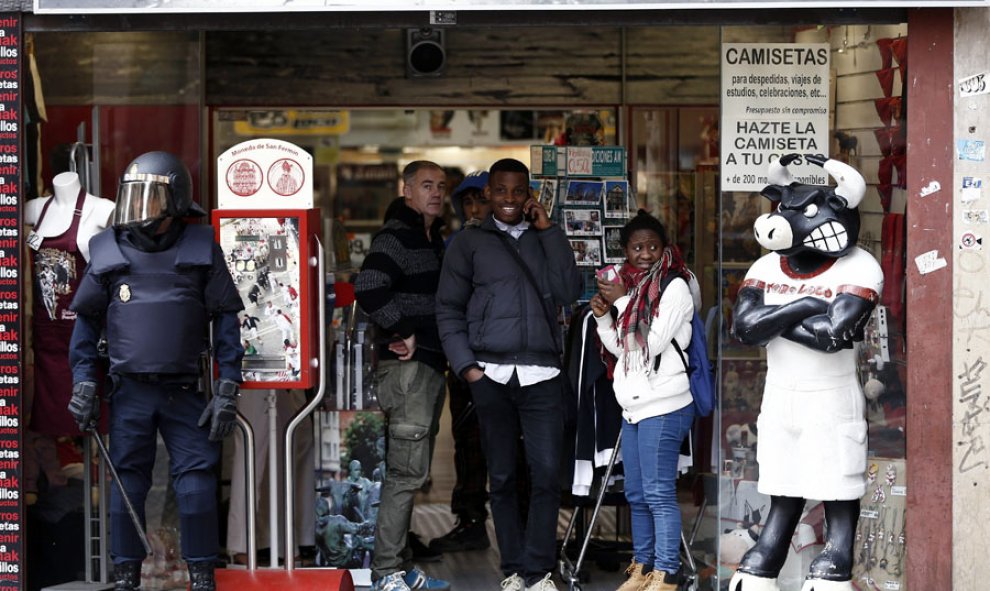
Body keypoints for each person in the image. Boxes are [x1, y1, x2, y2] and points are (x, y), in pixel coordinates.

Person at [66, 151, 245, 591]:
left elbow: (226, 320)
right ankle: (125, 576)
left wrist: (227, 385)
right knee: (126, 484)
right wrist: (84, 380)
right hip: (129, 390)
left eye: (151, 200)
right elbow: (86, 325)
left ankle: (202, 576)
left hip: (185, 389)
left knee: (196, 486)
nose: (139, 212)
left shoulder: (201, 247)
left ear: (177, 201)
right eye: (134, 199)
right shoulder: (108, 250)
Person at [436, 158, 582, 591]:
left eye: (518, 192)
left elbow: (571, 291)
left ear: (529, 194)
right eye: (500, 191)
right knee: (499, 476)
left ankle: (539, 569)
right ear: (487, 195)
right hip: (491, 375)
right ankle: (513, 570)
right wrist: (468, 367)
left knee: (545, 473)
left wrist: (550, 231)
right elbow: (448, 308)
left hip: (542, 373)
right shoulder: (468, 243)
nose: (509, 200)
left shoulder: (545, 238)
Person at [354, 160, 450, 591]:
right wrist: (404, 329)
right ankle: (386, 573)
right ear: (407, 190)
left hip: (427, 366)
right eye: (426, 185)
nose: (435, 193)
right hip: (408, 370)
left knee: (414, 473)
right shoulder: (396, 236)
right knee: (405, 474)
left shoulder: (432, 239)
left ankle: (402, 567)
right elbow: (369, 285)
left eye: (440, 186)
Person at [589, 211, 697, 591]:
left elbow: (649, 343)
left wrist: (619, 304)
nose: (646, 253)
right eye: (638, 247)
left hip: (665, 406)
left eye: (653, 246)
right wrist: (603, 319)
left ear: (665, 248)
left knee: (658, 492)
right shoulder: (632, 291)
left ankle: (666, 573)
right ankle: (644, 568)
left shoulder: (674, 287)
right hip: (634, 407)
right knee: (636, 493)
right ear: (626, 252)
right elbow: (623, 349)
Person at [23, 171, 115, 500]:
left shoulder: (102, 210)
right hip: (46, 343)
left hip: (85, 337)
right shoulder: (33, 210)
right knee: (45, 422)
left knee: (93, 418)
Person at [430, 171, 494, 554]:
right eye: (466, 203)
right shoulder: (455, 243)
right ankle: (470, 522)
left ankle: (519, 524)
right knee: (468, 445)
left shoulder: (517, 240)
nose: (473, 209)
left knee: (514, 448)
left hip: (505, 360)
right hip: (466, 358)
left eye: (479, 201)